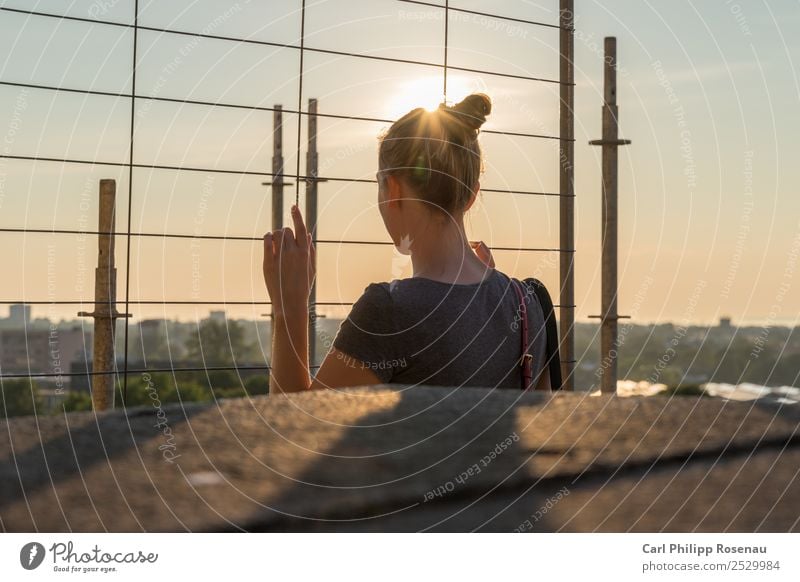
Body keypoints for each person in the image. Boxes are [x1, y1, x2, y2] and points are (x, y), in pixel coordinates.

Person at [263, 93, 551, 394]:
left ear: (394, 188)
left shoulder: (389, 312)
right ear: (471, 195)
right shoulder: (527, 302)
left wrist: (289, 308)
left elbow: (294, 431)